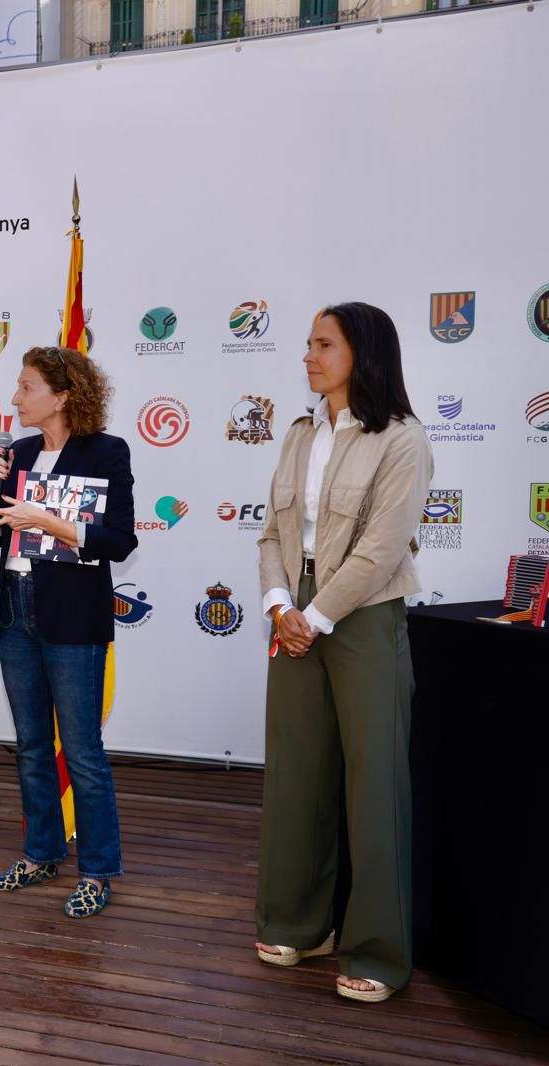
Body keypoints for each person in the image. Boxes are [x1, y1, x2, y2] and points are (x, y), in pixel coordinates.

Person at [254, 302, 432, 1003]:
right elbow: (271, 531)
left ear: (365, 352)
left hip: (361, 616)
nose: (308, 355)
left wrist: (316, 615)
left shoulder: (403, 440)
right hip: (294, 609)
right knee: (296, 776)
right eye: (307, 344)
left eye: (323, 344)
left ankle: (378, 953)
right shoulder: (300, 433)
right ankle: (299, 925)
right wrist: (279, 607)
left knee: (374, 787)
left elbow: (383, 548)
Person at [0, 346, 138, 918]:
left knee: (83, 750)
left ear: (63, 395)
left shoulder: (106, 451)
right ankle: (41, 852)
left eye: (26, 387)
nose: (16, 397)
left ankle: (97, 870)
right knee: (29, 746)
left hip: (73, 613)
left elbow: (121, 540)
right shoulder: (17, 452)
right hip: (17, 609)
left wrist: (45, 520)